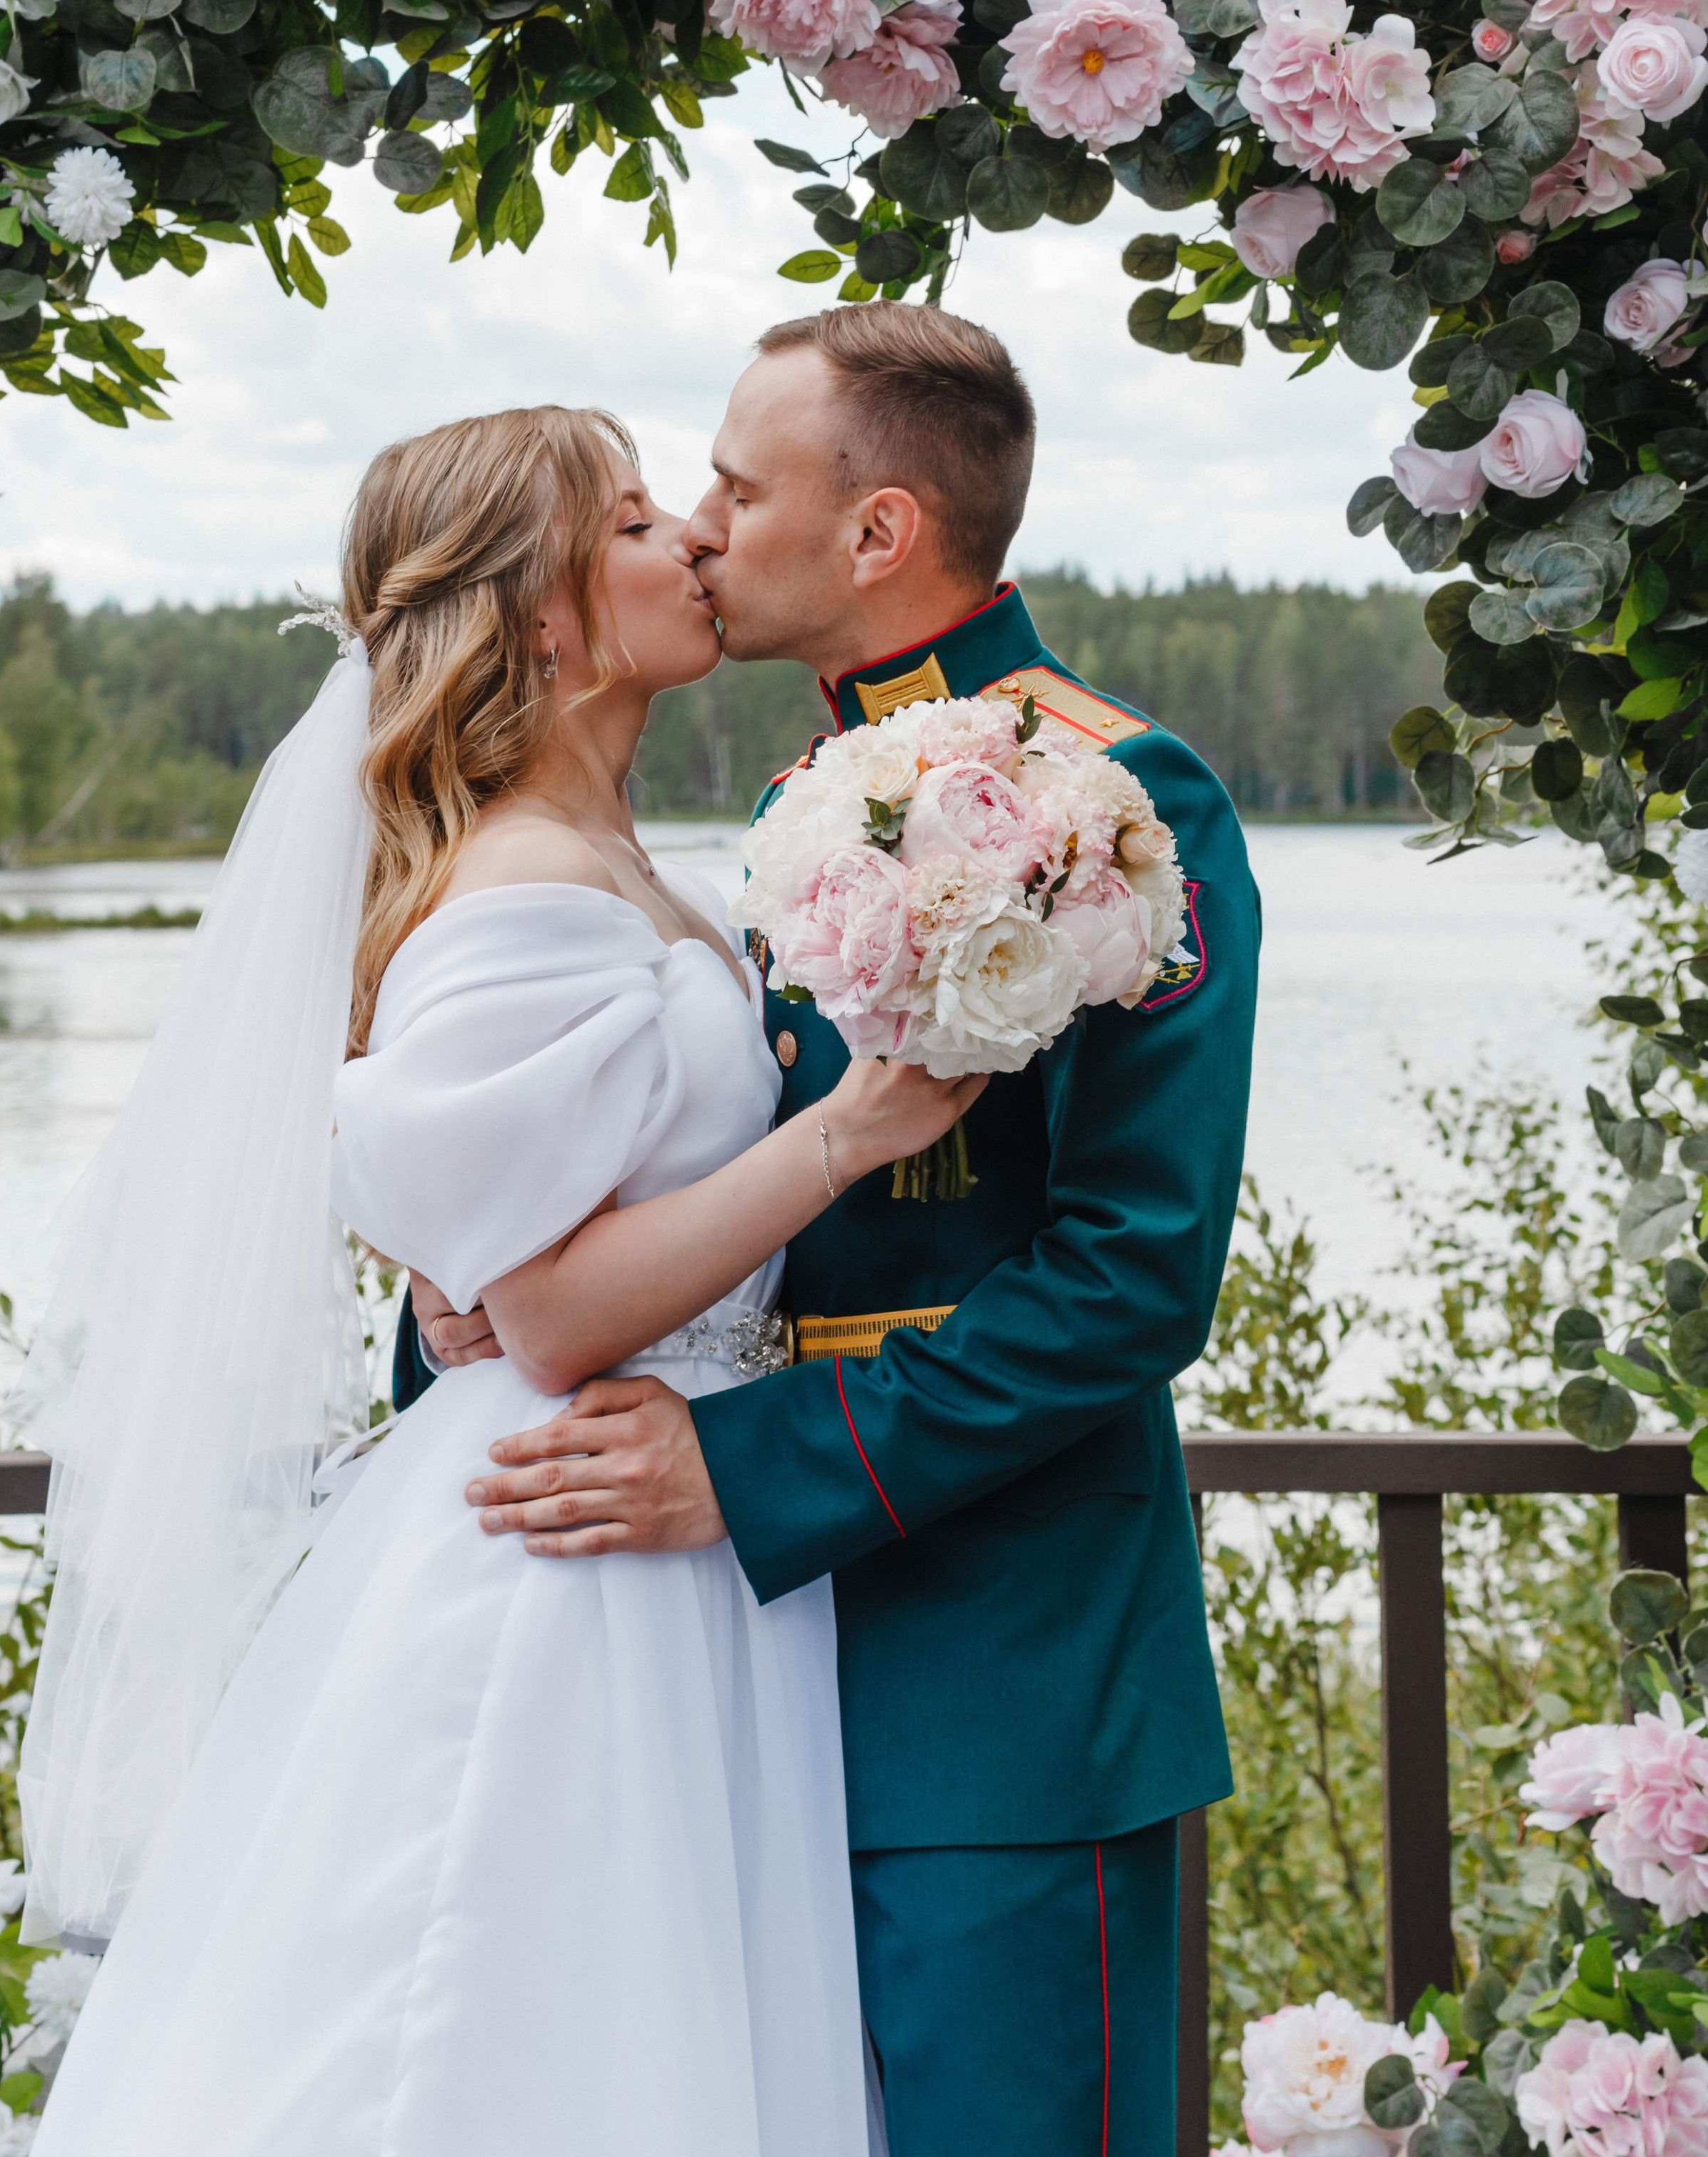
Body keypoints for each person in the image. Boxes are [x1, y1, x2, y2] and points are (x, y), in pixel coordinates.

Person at [19, 403, 982, 2157]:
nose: (688, 538)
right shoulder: (523, 888)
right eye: (628, 522)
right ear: (540, 615)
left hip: (667, 1527)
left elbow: (533, 1220)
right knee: (494, 2020)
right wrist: (846, 1135)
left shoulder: (638, 872)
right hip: (566, 1561)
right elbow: (541, 1312)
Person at [404, 304, 1262, 2156]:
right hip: (729, 1677)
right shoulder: (799, 800)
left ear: (878, 534)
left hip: (1000, 1679)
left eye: (733, 481)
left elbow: (1134, 1275)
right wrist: (470, 1284)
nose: (700, 526)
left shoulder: (1126, 799)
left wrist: (747, 1465)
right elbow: (725, 1190)